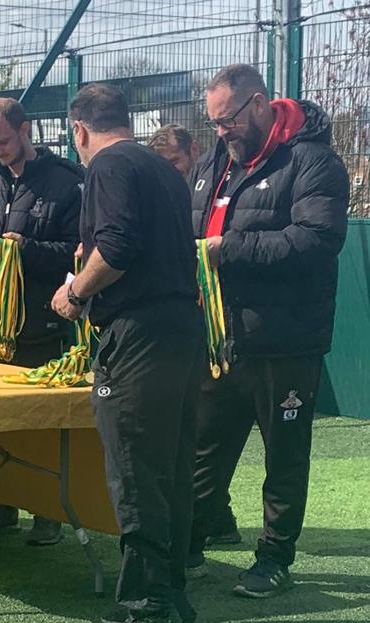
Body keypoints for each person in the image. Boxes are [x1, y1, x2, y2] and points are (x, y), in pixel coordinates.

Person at [52, 83, 204, 623]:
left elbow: (115, 247)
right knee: (169, 470)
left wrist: (75, 292)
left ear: (79, 130)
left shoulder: (108, 166)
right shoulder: (162, 168)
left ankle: (150, 611)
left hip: (137, 334)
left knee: (136, 473)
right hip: (179, 331)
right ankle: (172, 598)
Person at [186, 64, 349, 596]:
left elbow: (317, 240)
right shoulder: (215, 161)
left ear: (258, 103)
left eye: (228, 119)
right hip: (221, 337)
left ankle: (274, 558)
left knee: (284, 457)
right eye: (214, 122)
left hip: (285, 341)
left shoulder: (313, 161)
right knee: (204, 447)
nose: (221, 131)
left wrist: (227, 249)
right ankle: (188, 543)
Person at [0, 97, 84, 546]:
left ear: (25, 130)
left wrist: (24, 248)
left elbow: (77, 252)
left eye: (3, 141)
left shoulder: (66, 182)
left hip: (39, 324)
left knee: (39, 425)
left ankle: (48, 513)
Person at [147, 123, 242, 547]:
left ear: (194, 151)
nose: (172, 171)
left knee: (205, 430)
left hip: (224, 323)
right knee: (199, 430)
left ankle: (210, 520)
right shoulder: (173, 192)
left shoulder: (210, 183)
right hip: (193, 321)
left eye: (176, 162)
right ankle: (217, 518)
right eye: (164, 165)